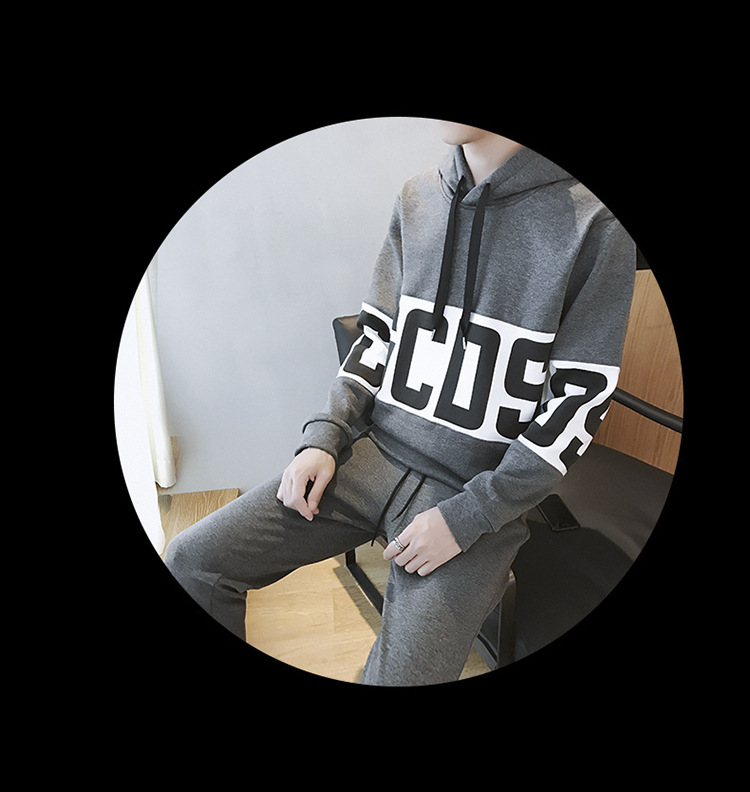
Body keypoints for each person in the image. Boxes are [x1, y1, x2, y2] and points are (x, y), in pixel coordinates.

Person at [164, 121, 636, 686]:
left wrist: (470, 517)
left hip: (474, 491)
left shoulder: (594, 224)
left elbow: (578, 402)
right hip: (373, 456)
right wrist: (324, 437)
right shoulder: (418, 197)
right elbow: (377, 338)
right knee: (193, 561)